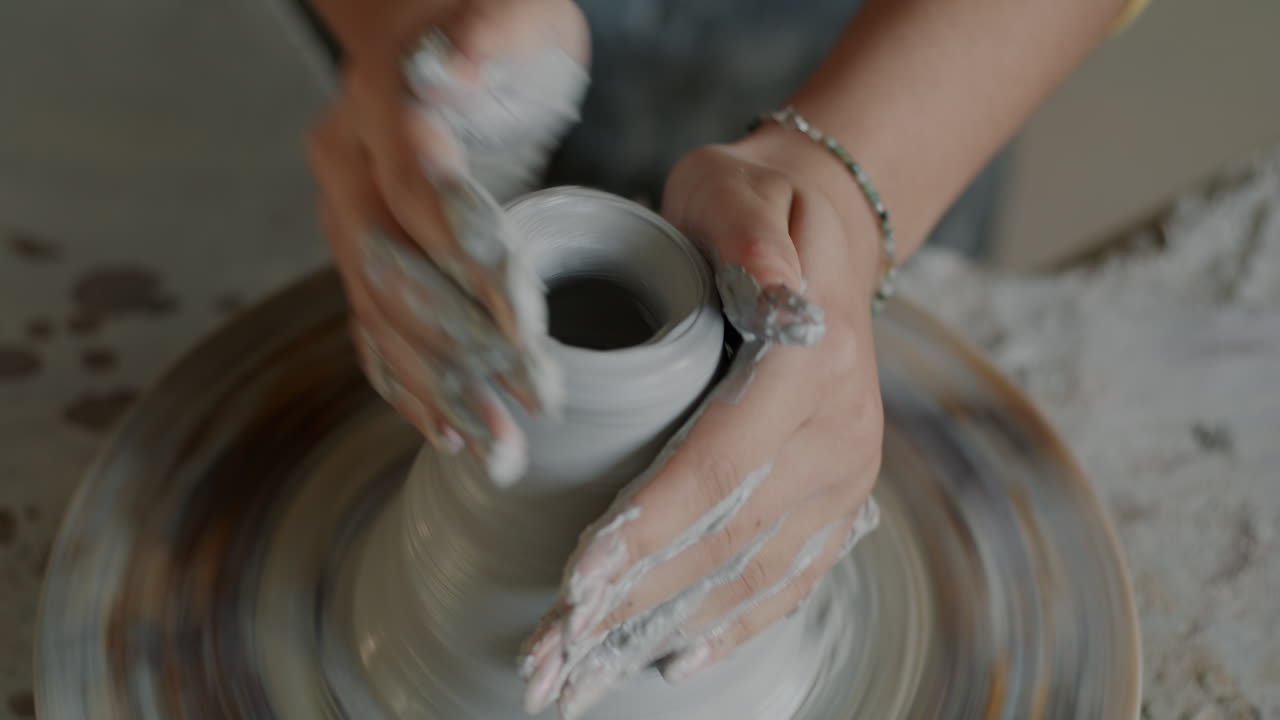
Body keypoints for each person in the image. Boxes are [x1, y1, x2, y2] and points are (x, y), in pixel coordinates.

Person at [302, 0, 1148, 716]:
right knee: (441, 270)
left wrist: (844, 197)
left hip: (895, 80)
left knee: (801, 321)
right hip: (489, 82)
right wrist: (423, 35)